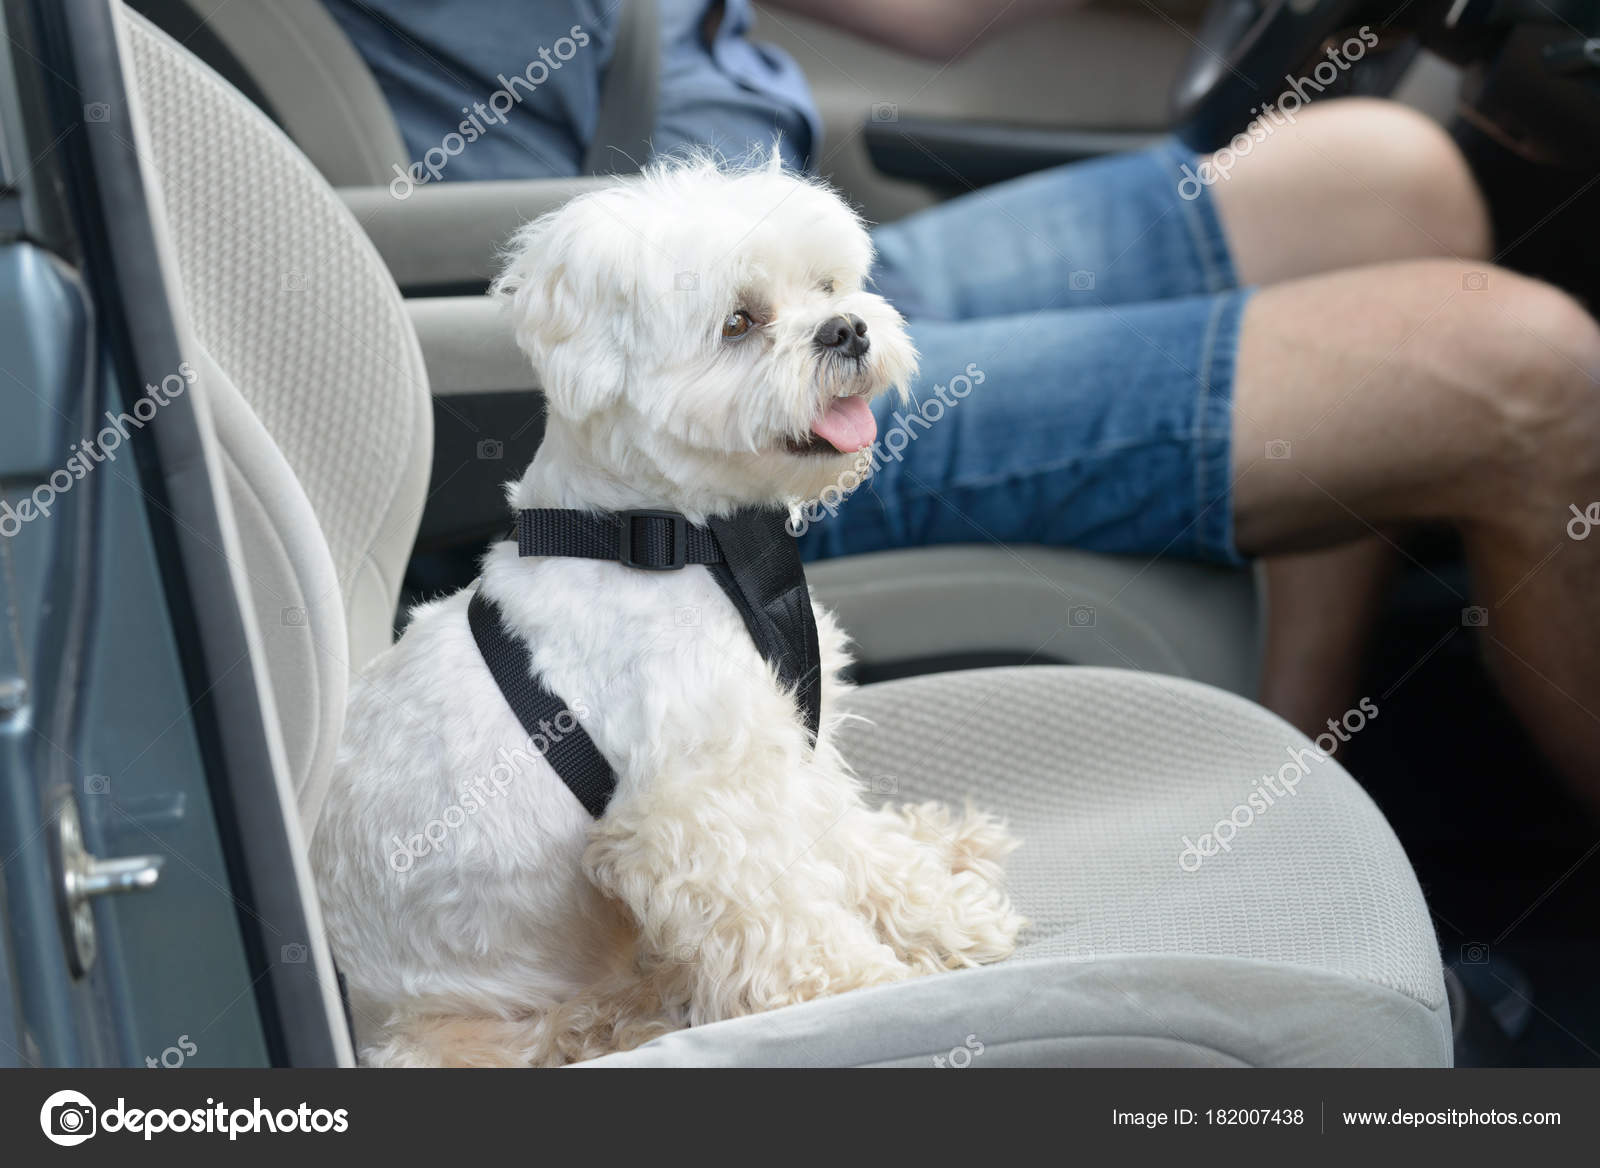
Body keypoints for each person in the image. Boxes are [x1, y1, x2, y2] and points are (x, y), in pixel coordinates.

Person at [325, 0, 1600, 801]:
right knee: (1530, 377)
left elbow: (928, 15)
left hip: (792, 275)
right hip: (687, 400)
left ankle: (1283, 786)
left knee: (1387, 182)